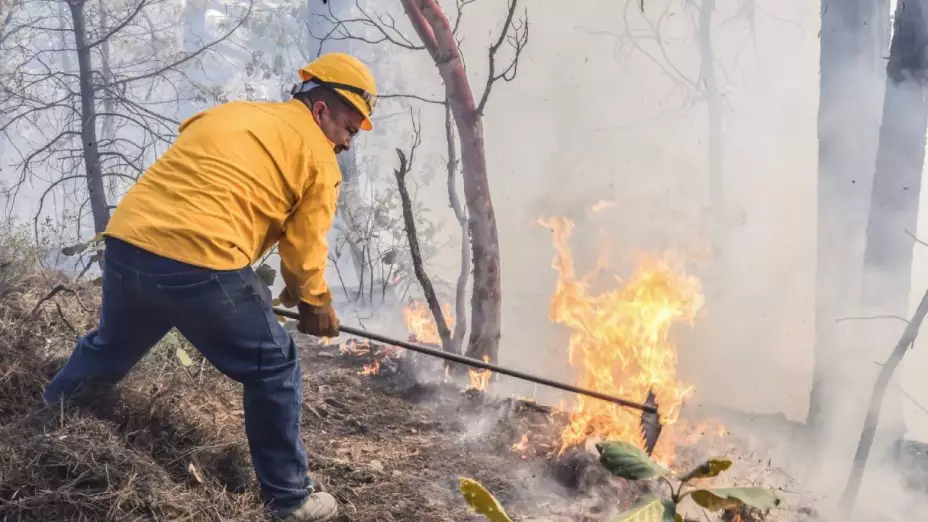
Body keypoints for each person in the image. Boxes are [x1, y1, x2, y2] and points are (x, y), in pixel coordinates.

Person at [42, 51, 378, 522]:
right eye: (348, 127)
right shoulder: (318, 158)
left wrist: (283, 295)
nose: (346, 142)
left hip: (129, 242)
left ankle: (45, 422)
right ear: (321, 110)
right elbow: (303, 255)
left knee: (110, 347)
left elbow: (208, 183)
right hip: (201, 260)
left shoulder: (234, 113)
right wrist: (315, 302)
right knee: (275, 365)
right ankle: (290, 499)